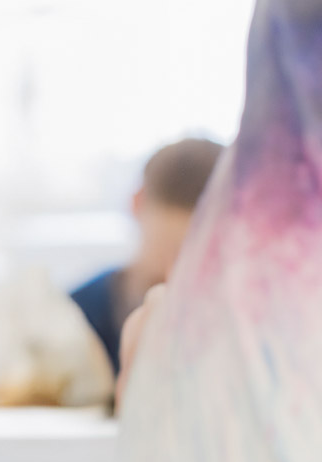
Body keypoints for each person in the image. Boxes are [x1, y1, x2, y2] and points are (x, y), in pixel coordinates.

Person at [69, 138, 222, 374]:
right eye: (171, 249)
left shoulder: (234, 332)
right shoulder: (74, 317)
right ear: (137, 203)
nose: (177, 272)